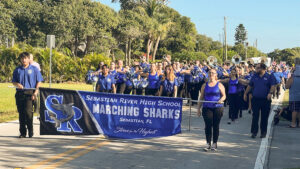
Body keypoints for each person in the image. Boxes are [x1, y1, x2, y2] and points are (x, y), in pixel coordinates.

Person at [12, 52, 43, 138]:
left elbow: (39, 81)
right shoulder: (17, 70)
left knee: (28, 113)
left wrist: (35, 93)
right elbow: (13, 81)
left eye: (25, 58)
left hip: (30, 93)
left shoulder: (34, 69)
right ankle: (22, 132)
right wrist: (17, 84)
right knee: (21, 114)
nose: (24, 60)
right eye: (22, 58)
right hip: (20, 93)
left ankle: (30, 131)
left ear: (29, 59)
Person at [244, 63, 276, 138]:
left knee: (264, 117)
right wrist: (245, 93)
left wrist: (270, 93)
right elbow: (250, 85)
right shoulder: (254, 76)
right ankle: (254, 132)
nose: (256, 69)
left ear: (263, 68)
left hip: (265, 100)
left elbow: (273, 85)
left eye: (258, 68)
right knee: (255, 116)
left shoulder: (269, 76)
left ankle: (263, 133)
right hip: (256, 99)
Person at [197, 68, 226, 151]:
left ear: (216, 75)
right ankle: (208, 143)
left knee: (216, 125)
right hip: (207, 107)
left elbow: (224, 95)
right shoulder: (204, 85)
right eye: (210, 73)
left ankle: (215, 143)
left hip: (217, 107)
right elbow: (201, 97)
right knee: (208, 125)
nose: (211, 74)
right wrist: (198, 109)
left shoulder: (219, 85)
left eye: (213, 73)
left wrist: (221, 100)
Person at [285, 59, 300, 128]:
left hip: (294, 96)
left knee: (294, 110)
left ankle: (293, 123)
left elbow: (287, 86)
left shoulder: (292, 78)